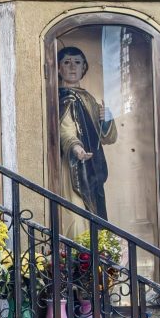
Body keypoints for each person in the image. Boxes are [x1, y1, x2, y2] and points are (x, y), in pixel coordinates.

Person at [57, 46, 117, 230]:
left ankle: (94, 254)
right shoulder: (63, 97)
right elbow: (64, 129)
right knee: (76, 212)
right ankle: (77, 256)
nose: (72, 67)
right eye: (67, 62)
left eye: (77, 62)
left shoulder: (89, 98)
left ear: (84, 67)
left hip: (92, 165)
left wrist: (106, 119)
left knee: (94, 213)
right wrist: (76, 148)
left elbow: (107, 138)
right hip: (73, 165)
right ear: (59, 69)